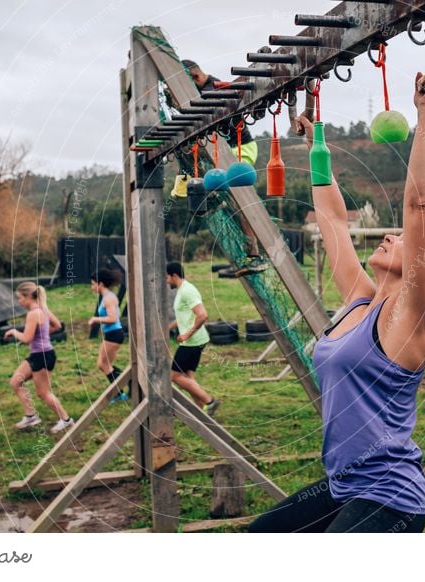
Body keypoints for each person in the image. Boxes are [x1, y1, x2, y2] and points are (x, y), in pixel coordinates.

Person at [249, 73, 425, 533]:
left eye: (402, 239)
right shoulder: (360, 300)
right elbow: (331, 217)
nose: (390, 234)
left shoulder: (409, 319)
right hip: (345, 486)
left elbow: (420, 206)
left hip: (390, 498)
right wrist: (316, 143)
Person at [182, 59, 267, 277]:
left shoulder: (212, 91)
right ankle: (246, 251)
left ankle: (254, 254)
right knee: (224, 193)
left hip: (241, 149)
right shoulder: (206, 90)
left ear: (195, 78)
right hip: (226, 149)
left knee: (239, 199)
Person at [4, 282, 74, 433]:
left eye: (20, 298)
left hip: (42, 356)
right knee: (16, 382)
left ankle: (66, 420)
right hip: (37, 354)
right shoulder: (42, 308)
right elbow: (57, 325)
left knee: (43, 392)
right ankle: (31, 416)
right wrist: (41, 335)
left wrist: (14, 332)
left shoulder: (33, 313)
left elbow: (27, 338)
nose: (19, 301)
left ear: (28, 296)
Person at [165, 261, 220, 417]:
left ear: (174, 275)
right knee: (188, 377)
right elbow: (185, 315)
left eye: (167, 278)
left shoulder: (187, 291)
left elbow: (202, 315)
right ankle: (202, 411)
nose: (166, 281)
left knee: (174, 375)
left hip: (192, 342)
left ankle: (210, 402)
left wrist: (187, 334)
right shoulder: (182, 290)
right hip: (194, 340)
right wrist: (168, 328)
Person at [88, 269, 128, 403]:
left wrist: (95, 319)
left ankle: (120, 392)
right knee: (104, 364)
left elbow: (113, 318)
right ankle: (127, 381)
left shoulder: (109, 298)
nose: (92, 287)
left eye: (93, 284)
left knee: (103, 364)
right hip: (111, 334)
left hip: (114, 334)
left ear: (100, 284)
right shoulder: (106, 296)